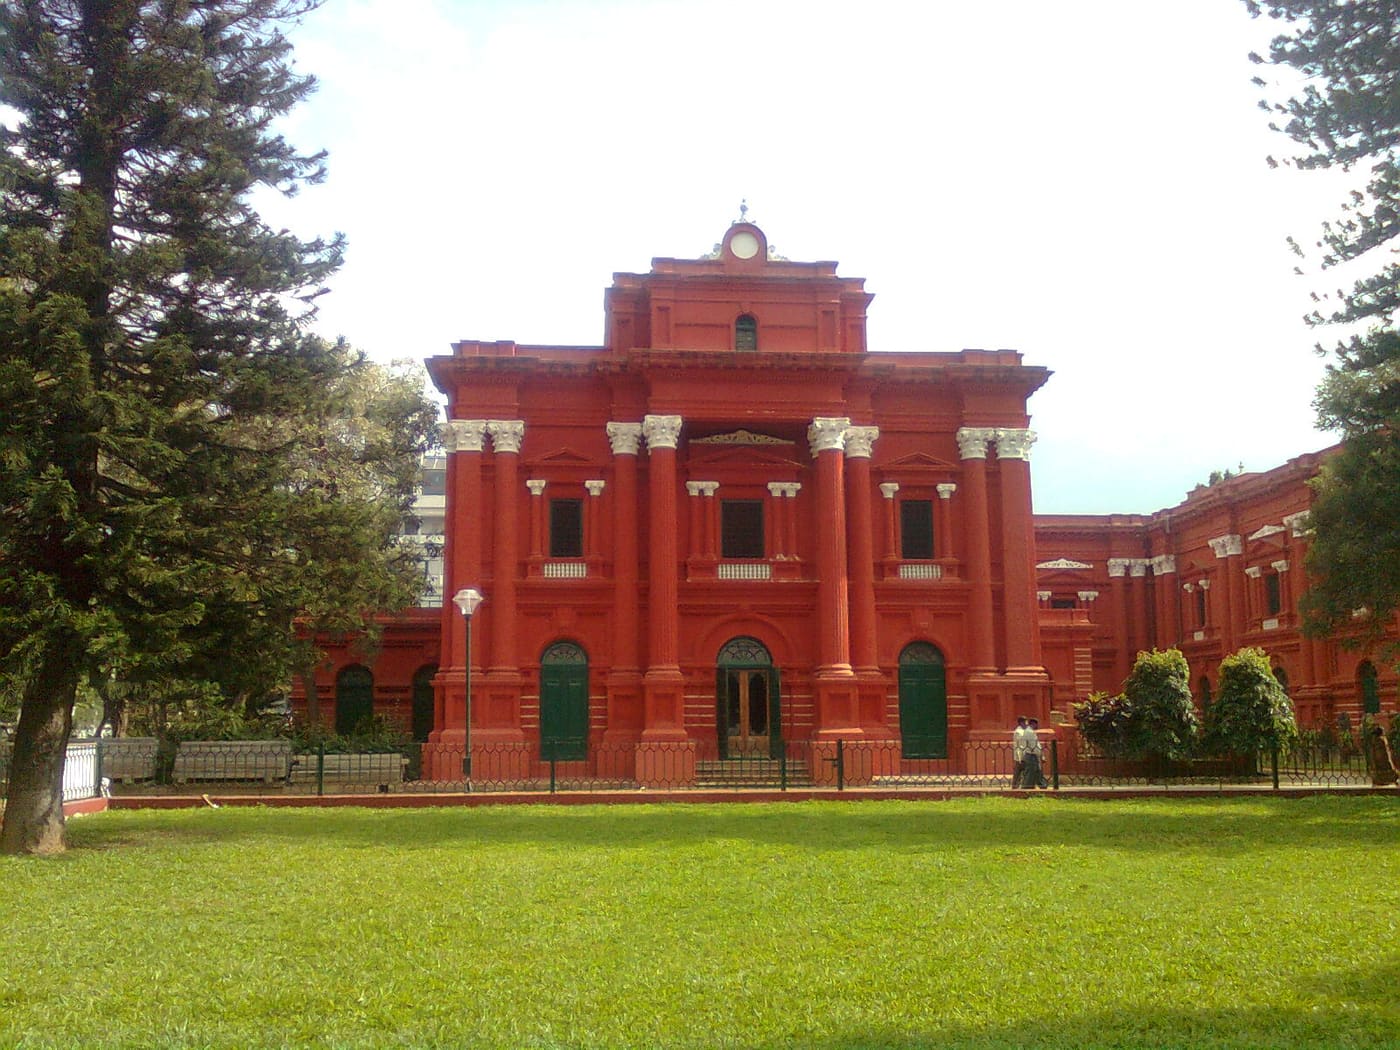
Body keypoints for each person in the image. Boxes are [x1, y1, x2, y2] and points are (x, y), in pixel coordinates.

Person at [1022, 718, 1049, 789]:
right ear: (1033, 724)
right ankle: (1027, 788)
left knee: (1036, 772)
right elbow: (1034, 746)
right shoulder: (1030, 732)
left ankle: (1042, 786)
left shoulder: (1028, 731)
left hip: (1030, 754)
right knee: (1031, 773)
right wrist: (1040, 755)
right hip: (1031, 755)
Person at [1011, 716, 1031, 788]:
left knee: (1020, 771)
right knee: (1019, 771)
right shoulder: (1019, 732)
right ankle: (1016, 786)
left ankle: (1017, 786)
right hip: (1021, 754)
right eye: (1025, 722)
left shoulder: (1023, 731)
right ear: (1021, 723)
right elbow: (1021, 744)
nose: (1027, 724)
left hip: (1024, 754)